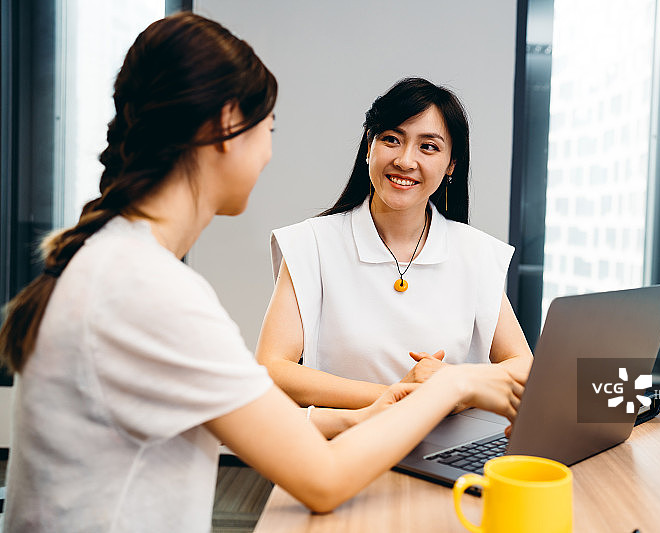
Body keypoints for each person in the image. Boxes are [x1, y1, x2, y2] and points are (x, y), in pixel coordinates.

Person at [0, 14, 525, 532]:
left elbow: (247, 412)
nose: (269, 153)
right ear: (225, 128)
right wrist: (452, 386)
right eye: (267, 129)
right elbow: (323, 480)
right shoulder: (150, 292)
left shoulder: (118, 263)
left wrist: (362, 414)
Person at [257, 78, 534, 410]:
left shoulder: (475, 252)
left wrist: (454, 382)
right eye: (391, 139)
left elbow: (523, 365)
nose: (405, 160)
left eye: (428, 147)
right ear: (369, 147)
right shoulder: (311, 243)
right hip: (349, 436)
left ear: (451, 165)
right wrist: (399, 398)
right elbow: (272, 368)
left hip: (450, 439)